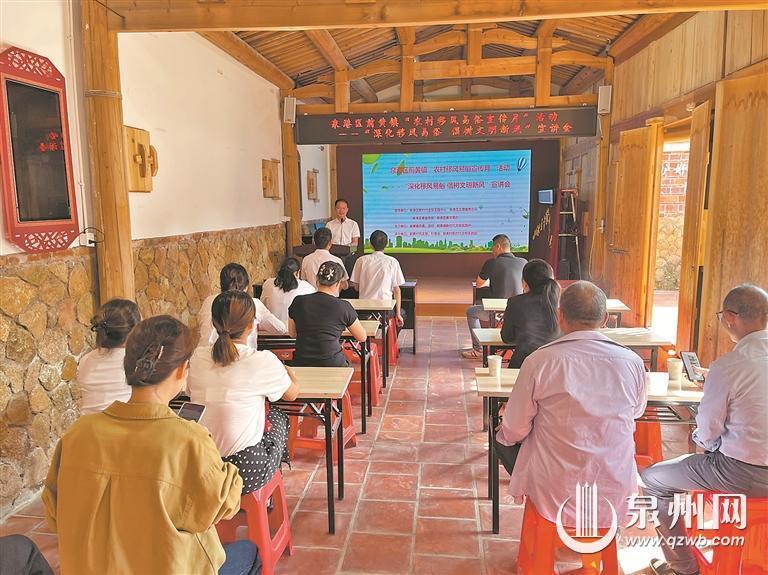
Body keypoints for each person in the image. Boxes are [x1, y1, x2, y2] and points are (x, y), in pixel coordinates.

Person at [42, 315, 244, 574]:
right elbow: (224, 504)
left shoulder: (77, 434)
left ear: (129, 365)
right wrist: (213, 455)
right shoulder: (189, 441)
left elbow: (54, 514)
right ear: (182, 370)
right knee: (248, 553)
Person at [495, 282, 646, 531]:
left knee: (505, 436)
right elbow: (637, 411)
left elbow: (514, 428)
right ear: (605, 319)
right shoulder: (633, 362)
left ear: (560, 317)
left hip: (553, 490)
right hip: (614, 488)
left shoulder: (539, 361)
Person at [641, 284, 768, 575]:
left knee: (652, 480)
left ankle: (683, 567)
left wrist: (704, 445)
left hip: (740, 473)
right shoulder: (730, 368)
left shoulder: (729, 366)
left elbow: (708, 430)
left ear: (730, 318)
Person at [188, 290, 300, 494]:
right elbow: (292, 395)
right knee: (279, 417)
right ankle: (269, 496)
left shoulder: (197, 357)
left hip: (202, 466)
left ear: (214, 323)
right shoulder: (262, 361)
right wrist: (291, 374)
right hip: (243, 472)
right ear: (251, 325)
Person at [289, 261, 366, 366]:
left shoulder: (298, 301)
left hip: (301, 361)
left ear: (317, 279)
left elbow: (292, 334)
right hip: (332, 363)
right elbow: (362, 337)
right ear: (338, 283)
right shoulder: (343, 306)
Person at [462, 234, 526, 359]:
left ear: (498, 247)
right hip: (518, 312)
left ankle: (478, 349)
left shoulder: (492, 263)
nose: (492, 251)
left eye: (492, 248)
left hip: (497, 312)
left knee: (471, 312)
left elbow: (479, 284)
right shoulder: (524, 262)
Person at [198, 262, 286, 348]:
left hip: (205, 353)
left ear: (221, 284)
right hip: (244, 355)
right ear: (246, 287)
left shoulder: (208, 301)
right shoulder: (253, 304)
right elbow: (280, 329)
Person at [76, 298, 141, 415]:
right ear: (135, 331)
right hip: (124, 425)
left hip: (87, 425)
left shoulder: (85, 361)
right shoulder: (137, 362)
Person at [500, 259, 561, 368]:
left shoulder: (515, 302)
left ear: (524, 282)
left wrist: (523, 334)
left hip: (524, 364)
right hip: (557, 365)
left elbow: (506, 337)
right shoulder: (562, 302)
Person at [350, 229, 405, 327]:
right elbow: (397, 290)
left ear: (370, 244)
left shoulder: (360, 261)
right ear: (387, 244)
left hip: (364, 310)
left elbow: (357, 288)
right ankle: (389, 335)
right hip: (385, 310)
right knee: (403, 313)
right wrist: (398, 314)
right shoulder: (392, 262)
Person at [259, 257, 315, 329]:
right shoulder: (307, 287)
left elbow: (262, 307)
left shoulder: (268, 283)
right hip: (294, 331)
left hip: (271, 330)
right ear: (297, 273)